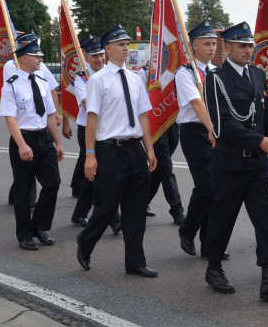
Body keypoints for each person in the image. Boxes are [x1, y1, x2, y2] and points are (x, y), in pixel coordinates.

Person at [202, 21, 268, 302]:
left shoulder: (258, 74)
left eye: (250, 45)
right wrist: (260, 142)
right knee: (223, 218)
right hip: (229, 163)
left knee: (267, 219)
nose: (248, 50)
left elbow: (266, 114)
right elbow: (222, 127)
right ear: (228, 47)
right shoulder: (215, 78)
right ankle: (214, 267)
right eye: (242, 46)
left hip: (257, 163)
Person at [75, 24, 158, 277]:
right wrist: (90, 156)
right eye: (121, 44)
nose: (126, 48)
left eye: (127, 44)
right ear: (108, 49)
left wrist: (149, 149)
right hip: (109, 151)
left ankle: (135, 261)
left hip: (134, 150)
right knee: (107, 207)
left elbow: (143, 116)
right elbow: (92, 120)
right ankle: (86, 242)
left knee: (135, 209)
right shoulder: (97, 81)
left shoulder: (135, 79)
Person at [0, 39, 65, 250]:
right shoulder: (11, 85)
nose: (41, 60)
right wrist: (21, 145)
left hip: (43, 138)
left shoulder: (42, 82)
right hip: (24, 138)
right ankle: (24, 234)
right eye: (37, 57)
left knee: (53, 183)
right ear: (25, 58)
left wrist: (57, 142)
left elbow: (50, 114)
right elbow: (10, 118)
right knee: (23, 190)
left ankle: (39, 226)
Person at [176, 21, 220, 258]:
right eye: (207, 43)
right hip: (196, 132)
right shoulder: (185, 72)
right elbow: (196, 103)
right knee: (206, 184)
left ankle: (209, 242)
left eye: (214, 43)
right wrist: (211, 128)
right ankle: (188, 229)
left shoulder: (215, 71)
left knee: (218, 188)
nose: (212, 48)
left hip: (217, 132)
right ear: (194, 46)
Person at [69, 36, 120, 232]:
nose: (99, 59)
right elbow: (87, 105)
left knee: (96, 175)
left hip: (107, 129)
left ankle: (80, 213)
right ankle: (114, 219)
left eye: (101, 55)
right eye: (94, 56)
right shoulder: (81, 78)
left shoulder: (112, 74)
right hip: (88, 130)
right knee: (100, 174)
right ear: (86, 57)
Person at [146, 123, 185, 224]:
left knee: (160, 167)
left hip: (172, 118)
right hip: (156, 117)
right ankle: (177, 210)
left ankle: (142, 202)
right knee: (166, 167)